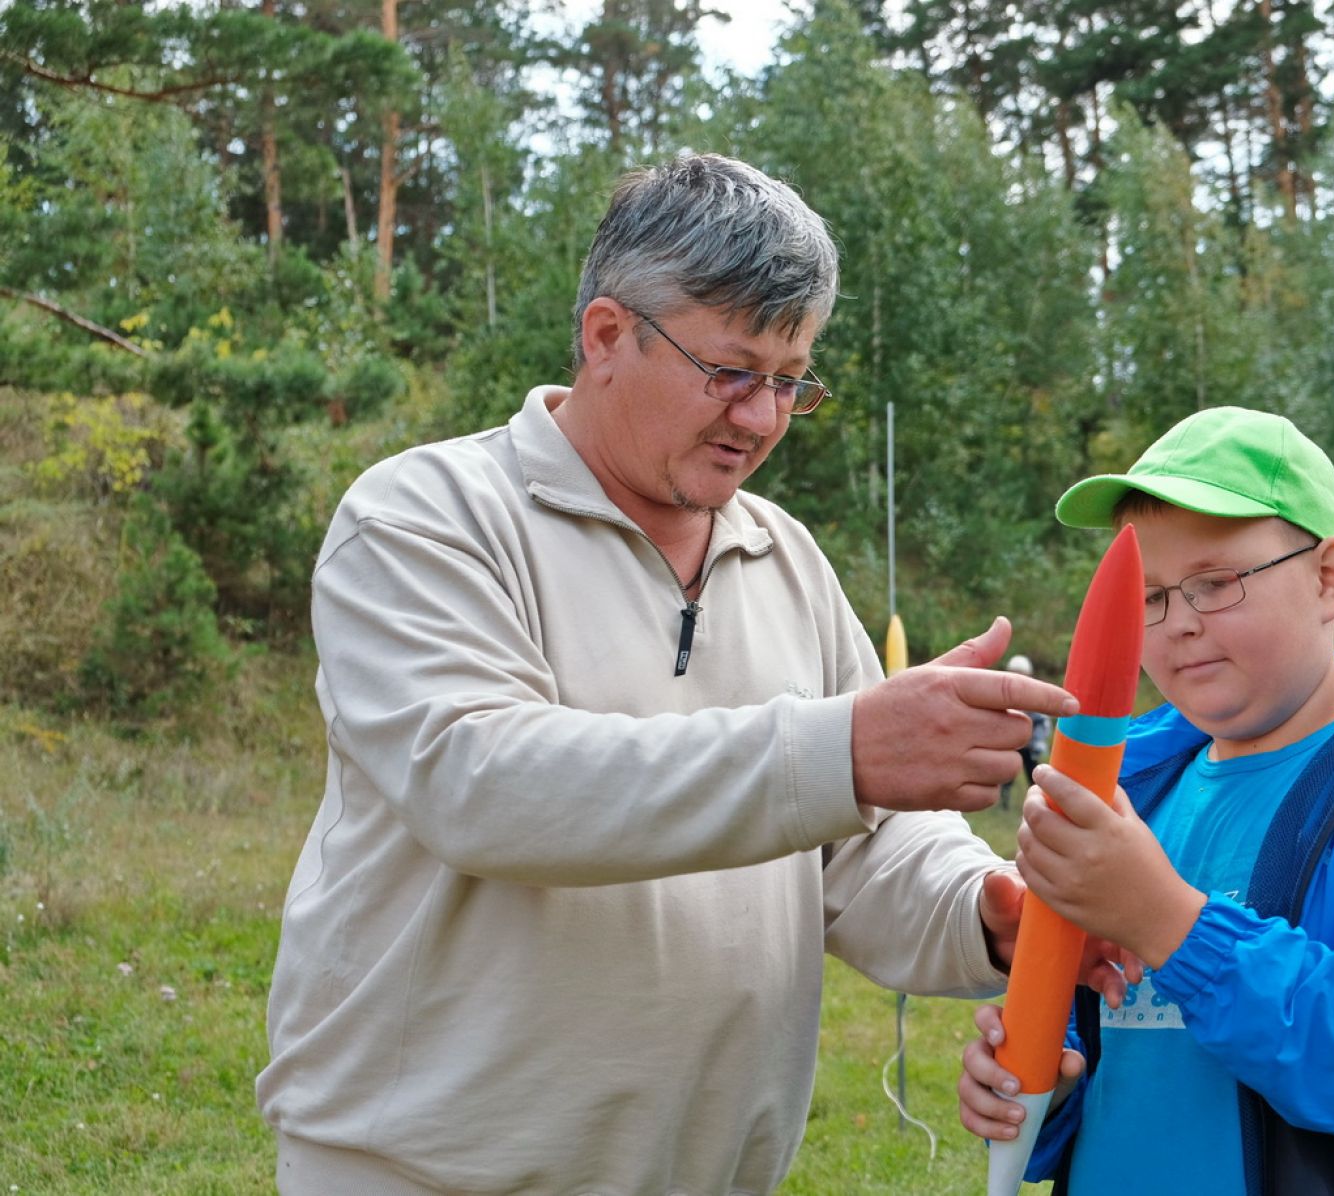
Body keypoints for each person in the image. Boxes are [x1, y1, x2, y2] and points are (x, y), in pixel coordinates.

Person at [256, 153, 1081, 1196]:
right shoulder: (425, 517)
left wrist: (981, 907)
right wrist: (845, 745)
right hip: (426, 1173)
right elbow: (482, 783)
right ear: (607, 336)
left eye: (791, 380)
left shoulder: (785, 556)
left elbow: (859, 850)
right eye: (731, 370)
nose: (762, 418)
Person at [957, 406, 1334, 1194]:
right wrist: (1046, 1092)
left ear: (1328, 577)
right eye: (1149, 597)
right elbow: (1120, 1058)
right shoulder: (1130, 789)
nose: (1177, 624)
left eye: (1214, 584)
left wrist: (1166, 921)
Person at [1000, 654, 1054, 810]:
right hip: (1012, 744)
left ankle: (1038, 801)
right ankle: (1005, 800)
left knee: (1033, 774)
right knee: (1008, 773)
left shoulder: (1033, 693)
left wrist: (1037, 740)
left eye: (1020, 673)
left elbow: (1041, 720)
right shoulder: (1004, 694)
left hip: (1029, 744)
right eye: (1014, 673)